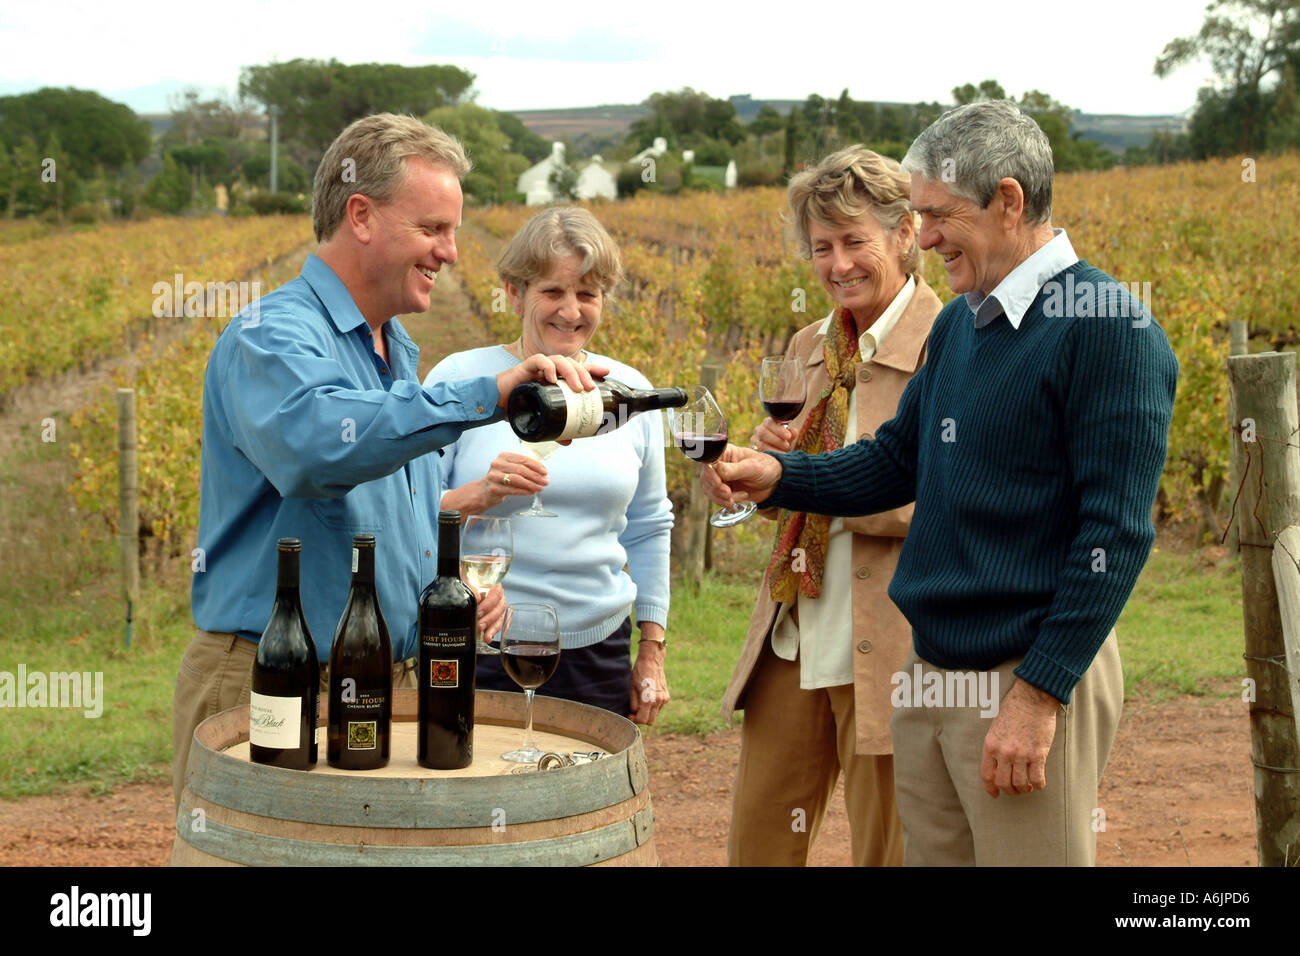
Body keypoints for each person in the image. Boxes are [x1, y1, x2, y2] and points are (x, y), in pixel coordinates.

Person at [703, 100, 1178, 866]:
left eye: (935, 214)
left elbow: (1115, 536)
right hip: (929, 675)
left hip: (1020, 674)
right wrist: (780, 475)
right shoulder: (964, 324)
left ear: (1009, 201)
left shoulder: (1108, 329)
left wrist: (1039, 692)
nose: (920, 237)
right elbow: (896, 461)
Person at [173, 115, 603, 806]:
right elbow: (316, 449)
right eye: (434, 228)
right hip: (279, 675)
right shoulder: (271, 335)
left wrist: (451, 595)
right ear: (362, 215)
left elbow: (386, 513)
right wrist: (487, 394)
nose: (452, 252)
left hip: (388, 679)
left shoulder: (394, 349)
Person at [722, 147, 941, 867]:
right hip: (795, 628)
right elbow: (793, 492)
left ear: (905, 233)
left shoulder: (951, 343)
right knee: (760, 845)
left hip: (887, 638)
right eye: (822, 247)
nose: (837, 263)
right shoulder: (810, 345)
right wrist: (766, 472)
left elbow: (943, 493)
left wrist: (807, 478)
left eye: (855, 242)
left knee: (888, 849)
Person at [424, 206, 671, 723]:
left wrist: (651, 649)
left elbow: (649, 527)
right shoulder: (462, 380)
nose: (571, 310)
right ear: (515, 293)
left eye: (588, 293)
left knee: (586, 798)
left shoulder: (629, 393)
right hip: (484, 643)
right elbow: (411, 513)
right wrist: (480, 496)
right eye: (552, 292)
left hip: (600, 651)